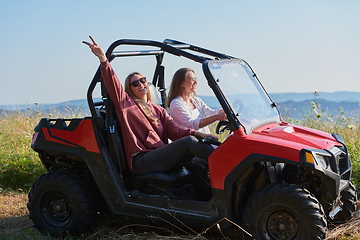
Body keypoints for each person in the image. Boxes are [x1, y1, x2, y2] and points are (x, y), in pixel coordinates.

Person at [82, 36, 217, 176]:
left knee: (200, 163)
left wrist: (196, 133)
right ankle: (226, 161)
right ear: (130, 89)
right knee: (189, 142)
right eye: (135, 83)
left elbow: (175, 131)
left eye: (142, 80)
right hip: (142, 159)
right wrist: (103, 59)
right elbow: (113, 85)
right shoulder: (127, 105)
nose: (140, 84)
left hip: (160, 154)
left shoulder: (158, 110)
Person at [167, 68, 226, 134]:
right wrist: (217, 117)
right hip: (190, 142)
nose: (196, 82)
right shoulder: (176, 104)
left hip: (205, 140)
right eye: (192, 79)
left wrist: (227, 111)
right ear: (181, 83)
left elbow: (210, 113)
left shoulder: (197, 100)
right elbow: (192, 124)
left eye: (196, 79)